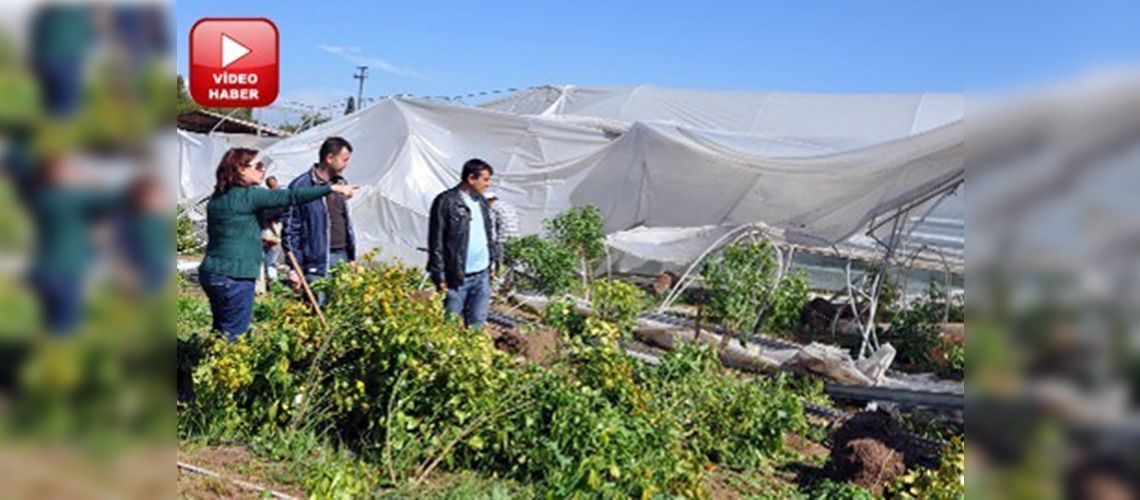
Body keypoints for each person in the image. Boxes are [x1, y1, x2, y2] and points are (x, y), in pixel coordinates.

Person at [199, 147, 357, 340]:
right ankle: (224, 367)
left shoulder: (217, 198)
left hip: (212, 273)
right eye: (257, 166)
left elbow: (244, 219)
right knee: (234, 336)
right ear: (240, 169)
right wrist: (331, 188)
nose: (262, 170)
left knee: (220, 329)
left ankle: (208, 364)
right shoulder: (250, 196)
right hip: (236, 275)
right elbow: (290, 196)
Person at [283, 137, 356, 304]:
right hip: (317, 259)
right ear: (330, 158)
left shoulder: (341, 184)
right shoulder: (301, 186)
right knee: (318, 308)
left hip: (341, 257)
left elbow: (345, 223)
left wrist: (351, 257)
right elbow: (290, 230)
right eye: (344, 160)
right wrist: (295, 267)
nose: (347, 164)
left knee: (340, 311)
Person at [427, 158, 498, 329]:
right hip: (457, 277)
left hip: (481, 275)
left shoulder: (481, 202)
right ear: (471, 178)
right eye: (485, 180)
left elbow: (489, 234)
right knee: (449, 325)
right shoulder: (446, 202)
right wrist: (440, 276)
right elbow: (436, 241)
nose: (488, 185)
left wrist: (493, 262)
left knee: (477, 324)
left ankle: (471, 354)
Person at [484, 192, 520, 272]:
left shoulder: (492, 208)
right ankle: (508, 282)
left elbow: (491, 226)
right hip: (515, 238)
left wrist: (490, 242)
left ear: (488, 201)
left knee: (499, 263)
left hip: (502, 239)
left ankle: (497, 282)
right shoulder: (508, 206)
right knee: (511, 265)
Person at [261, 176, 283, 282]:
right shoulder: (278, 196)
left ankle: (267, 277)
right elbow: (273, 218)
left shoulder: (266, 197)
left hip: (265, 231)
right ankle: (271, 278)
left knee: (267, 255)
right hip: (272, 231)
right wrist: (276, 232)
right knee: (272, 256)